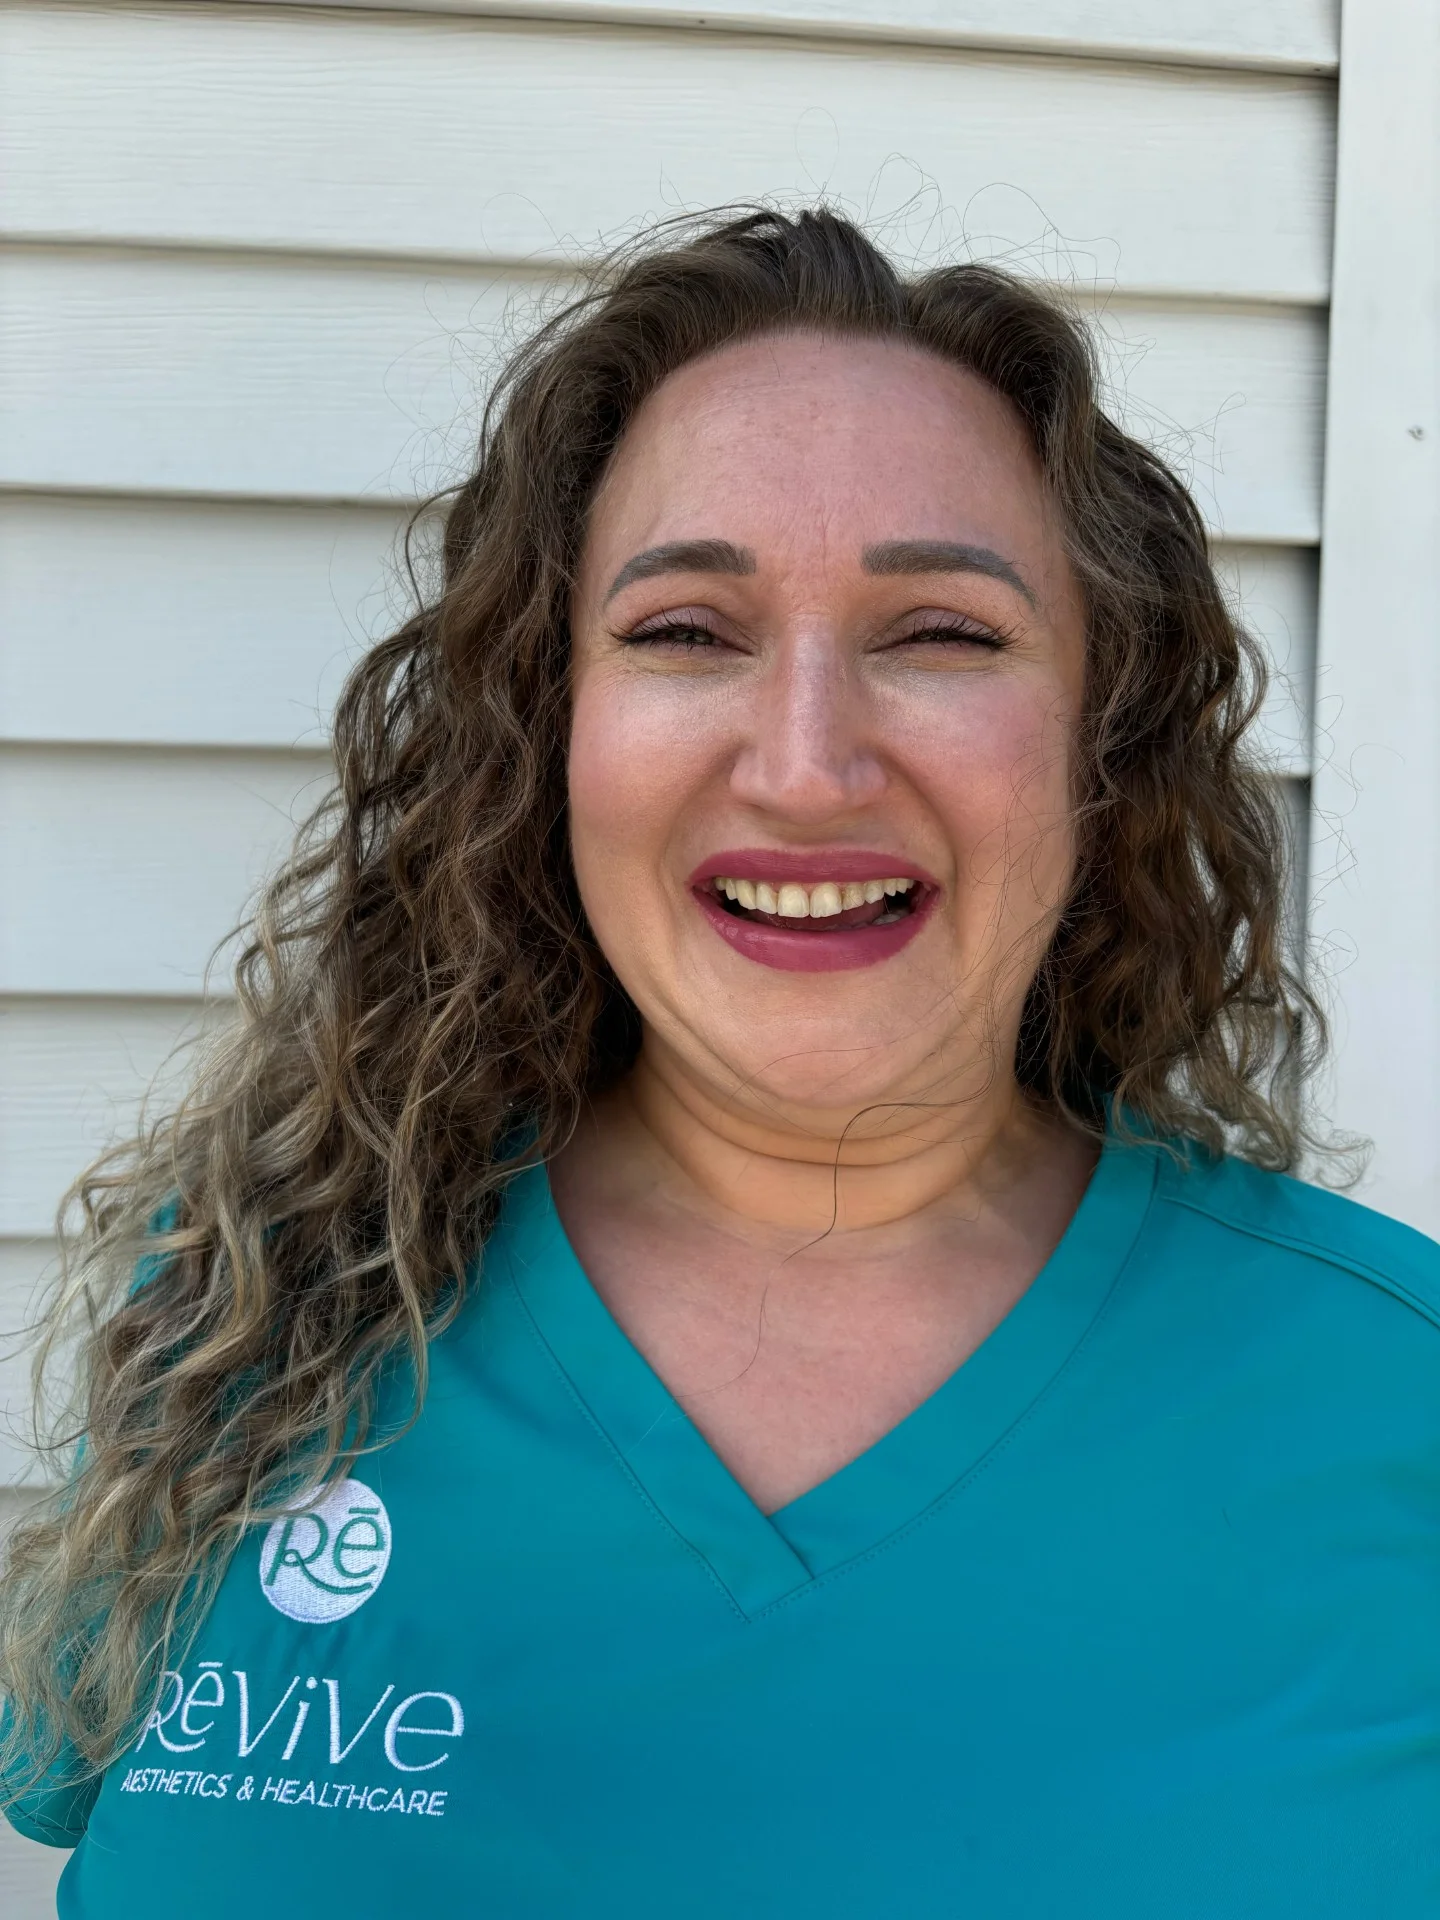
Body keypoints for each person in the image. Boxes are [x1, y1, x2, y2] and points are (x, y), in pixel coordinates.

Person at [2, 207, 1437, 1917]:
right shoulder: (259, 1304)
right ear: (547, 730)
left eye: (944, 634)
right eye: (687, 630)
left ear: (1098, 746)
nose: (808, 765)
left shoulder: (1389, 1401)